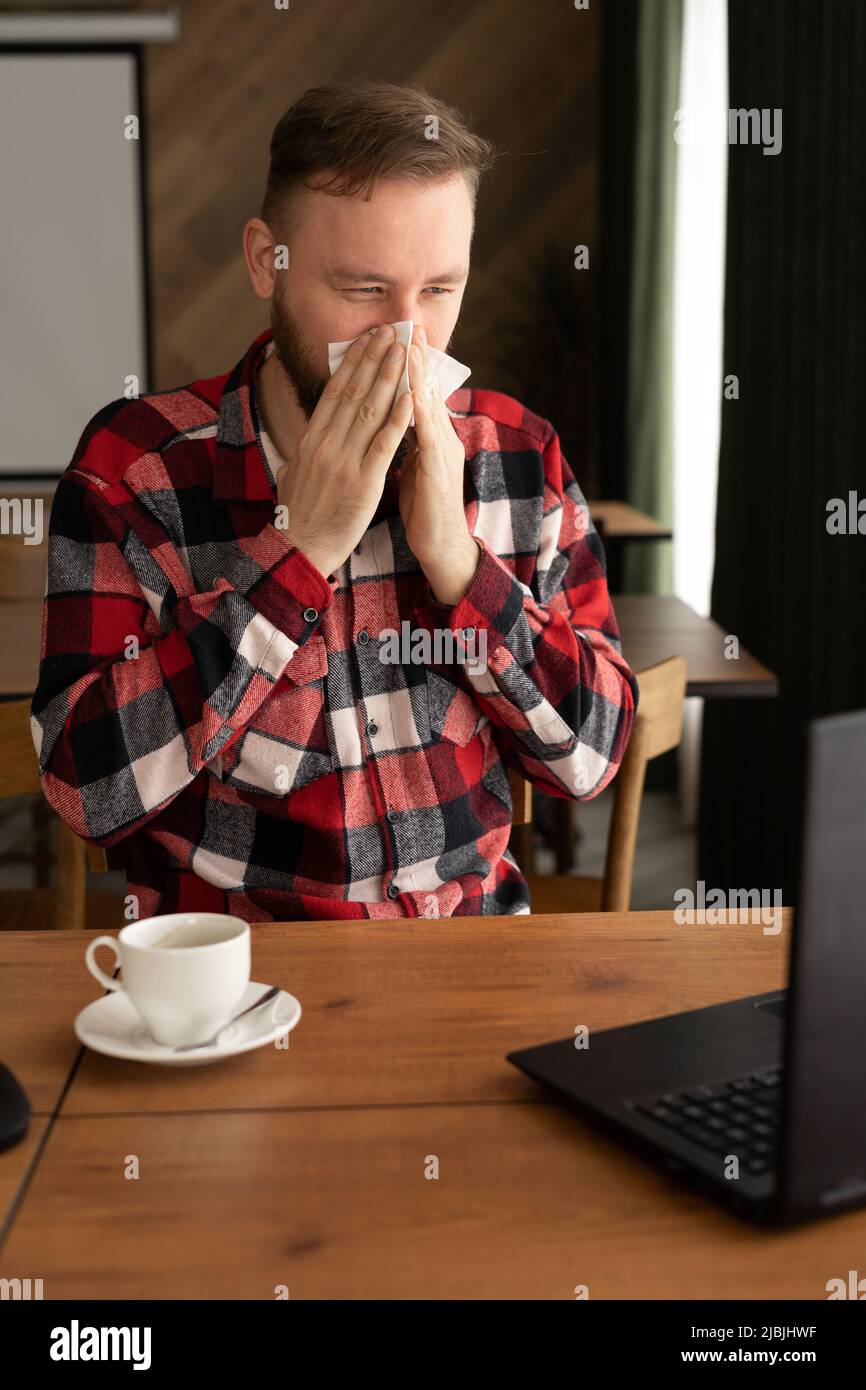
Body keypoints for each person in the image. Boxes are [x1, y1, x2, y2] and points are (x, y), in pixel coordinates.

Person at [31, 78, 637, 922]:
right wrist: (295, 556)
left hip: (473, 962)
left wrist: (462, 567)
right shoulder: (136, 471)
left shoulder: (518, 454)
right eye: (362, 290)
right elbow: (83, 790)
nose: (405, 340)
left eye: (438, 290)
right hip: (243, 980)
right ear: (263, 261)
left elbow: (595, 761)